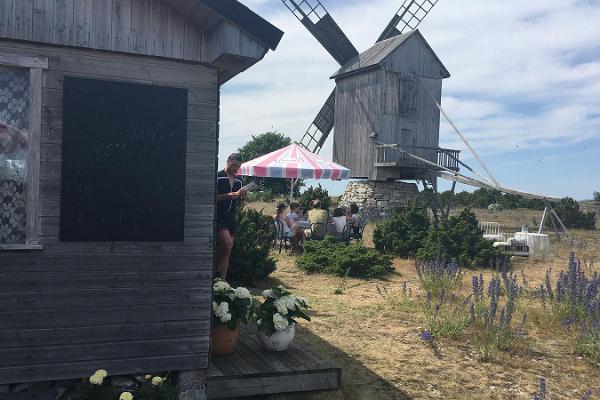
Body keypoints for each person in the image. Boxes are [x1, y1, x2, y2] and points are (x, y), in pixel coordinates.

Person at [215, 153, 244, 279]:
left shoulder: (239, 181)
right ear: (228, 161)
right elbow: (212, 197)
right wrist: (228, 196)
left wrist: (242, 197)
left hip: (231, 216)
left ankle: (221, 280)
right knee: (227, 244)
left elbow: (239, 203)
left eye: (238, 167)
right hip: (219, 215)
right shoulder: (217, 177)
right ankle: (215, 270)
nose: (235, 169)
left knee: (228, 250)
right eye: (234, 165)